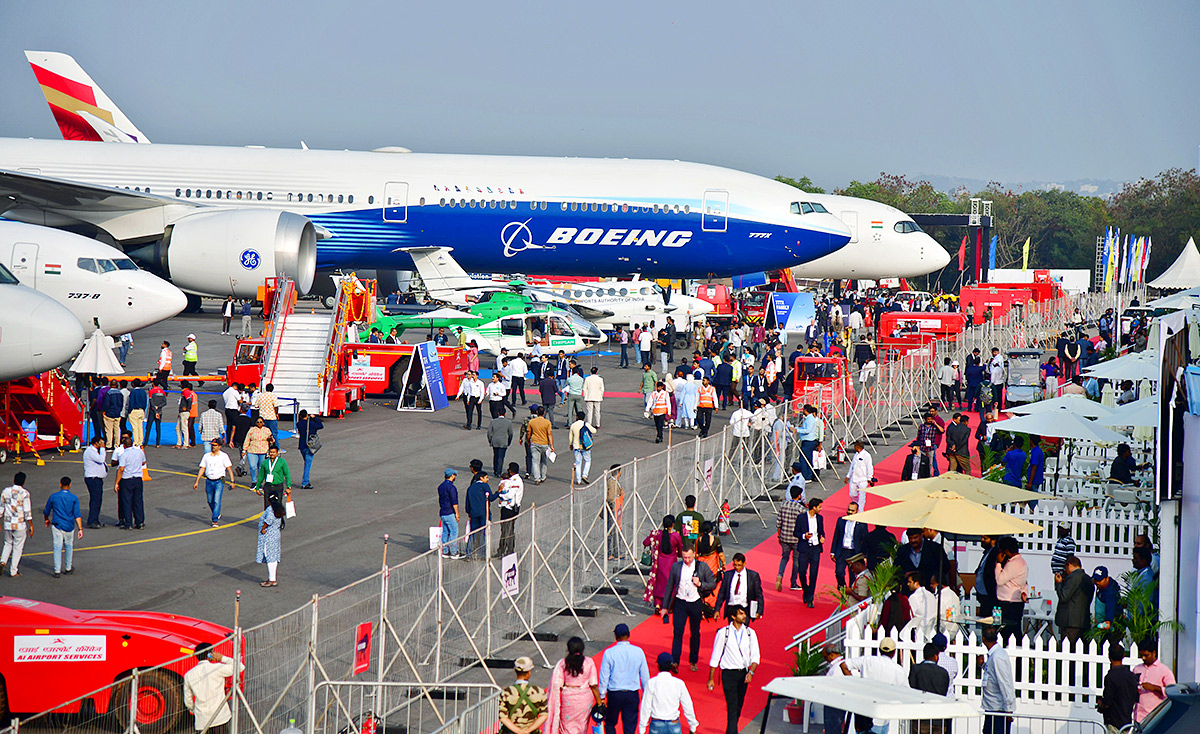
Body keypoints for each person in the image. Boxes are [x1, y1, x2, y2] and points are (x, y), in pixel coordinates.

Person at [706, 605, 760, 734]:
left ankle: (730, 730)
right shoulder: (723, 633)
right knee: (732, 706)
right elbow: (715, 657)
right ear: (733, 616)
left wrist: (751, 672)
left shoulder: (750, 633)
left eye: (744, 613)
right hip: (728, 674)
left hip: (744, 673)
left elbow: (756, 655)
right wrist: (711, 679)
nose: (744, 616)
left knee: (739, 705)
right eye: (741, 614)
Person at [661, 545, 716, 670]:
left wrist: (700, 584)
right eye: (684, 557)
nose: (687, 560)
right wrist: (665, 607)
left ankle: (693, 660)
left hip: (695, 602)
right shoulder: (676, 567)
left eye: (689, 557)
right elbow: (669, 586)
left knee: (695, 633)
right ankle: (675, 662)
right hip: (680, 603)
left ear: (694, 555)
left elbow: (712, 583)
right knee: (677, 632)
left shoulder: (702, 567)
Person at [840, 637, 906, 733]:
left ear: (879, 650)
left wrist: (854, 684)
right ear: (894, 652)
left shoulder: (867, 660)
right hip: (883, 715)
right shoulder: (899, 670)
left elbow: (844, 665)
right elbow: (906, 691)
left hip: (864, 712)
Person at [183, 641, 244, 734]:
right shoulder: (216, 668)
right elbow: (240, 666)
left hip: (202, 719)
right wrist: (222, 658)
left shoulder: (189, 675)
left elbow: (188, 700)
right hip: (220, 716)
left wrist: (194, 710)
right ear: (210, 655)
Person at [598, 623, 649, 734]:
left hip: (614, 694)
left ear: (616, 636)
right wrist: (646, 695)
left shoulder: (609, 653)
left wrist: (601, 696)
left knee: (610, 722)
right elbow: (645, 676)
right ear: (629, 635)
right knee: (630, 726)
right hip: (632, 694)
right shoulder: (638, 651)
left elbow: (604, 677)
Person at [546, 636, 601, 734]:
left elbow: (558, 684)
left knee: (566, 727)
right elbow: (593, 684)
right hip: (584, 699)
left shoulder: (563, 663)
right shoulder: (589, 662)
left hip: (568, 698)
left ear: (568, 649)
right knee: (582, 726)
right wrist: (599, 702)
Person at [637, 652, 698, 734]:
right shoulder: (679, 683)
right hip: (674, 723)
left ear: (658, 665)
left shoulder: (651, 683)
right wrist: (693, 725)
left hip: (656, 723)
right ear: (671, 666)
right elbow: (687, 704)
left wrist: (642, 728)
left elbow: (646, 706)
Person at [43, 476, 83, 578]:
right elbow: (77, 514)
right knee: (69, 546)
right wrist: (80, 528)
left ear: (60, 485)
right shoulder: (74, 498)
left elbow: (46, 511)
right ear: (70, 485)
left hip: (57, 525)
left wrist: (46, 519)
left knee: (57, 547)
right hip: (69, 525)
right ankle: (68, 567)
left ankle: (57, 570)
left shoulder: (53, 496)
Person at [908, 642, 951, 733]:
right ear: (936, 656)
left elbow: (912, 690)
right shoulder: (943, 672)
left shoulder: (916, 669)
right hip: (939, 718)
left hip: (921, 716)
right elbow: (944, 692)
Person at [1097, 643, 1138, 733]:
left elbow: (1107, 702)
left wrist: (1101, 704)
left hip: (1113, 721)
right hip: (1126, 721)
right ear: (1123, 655)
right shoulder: (1131, 676)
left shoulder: (1110, 677)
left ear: (1109, 656)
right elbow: (1136, 696)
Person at [500, 657, 549, 734]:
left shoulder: (506, 693)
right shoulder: (539, 691)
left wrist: (519, 731)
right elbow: (544, 715)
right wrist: (527, 731)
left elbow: (503, 717)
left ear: (515, 671)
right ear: (529, 672)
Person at [981, 625, 1014, 734]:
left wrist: (1008, 709)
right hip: (992, 708)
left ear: (983, 639)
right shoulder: (994, 654)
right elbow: (992, 674)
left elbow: (1004, 683)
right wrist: (982, 665)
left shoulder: (997, 656)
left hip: (998, 710)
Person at [193, 439, 234, 528]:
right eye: (212, 445)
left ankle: (215, 519)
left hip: (219, 480)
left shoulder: (224, 456)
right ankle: (217, 512)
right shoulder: (206, 456)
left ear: (219, 446)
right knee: (210, 500)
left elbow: (229, 469)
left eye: (215, 445)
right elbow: (202, 468)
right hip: (209, 480)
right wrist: (197, 481)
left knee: (216, 500)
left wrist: (232, 481)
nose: (213, 447)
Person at [994, 536, 1029, 640]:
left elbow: (1000, 580)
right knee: (1014, 630)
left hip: (1009, 602)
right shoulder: (1021, 562)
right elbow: (1024, 582)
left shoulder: (1013, 564)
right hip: (1014, 601)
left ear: (1007, 551)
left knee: (1009, 632)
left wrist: (998, 563)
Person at [793, 498, 825, 608]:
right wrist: (803, 536)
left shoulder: (820, 518)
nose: (821, 509)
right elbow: (795, 532)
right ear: (814, 507)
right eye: (819, 507)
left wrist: (822, 538)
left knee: (813, 574)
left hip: (815, 548)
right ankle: (806, 590)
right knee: (801, 572)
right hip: (804, 548)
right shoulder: (801, 518)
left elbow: (821, 532)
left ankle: (811, 597)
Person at [1, 473, 34, 577]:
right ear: (24, 482)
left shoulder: (6, 491)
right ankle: (13, 570)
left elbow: (1, 507)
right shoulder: (24, 493)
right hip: (19, 524)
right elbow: (27, 511)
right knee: (17, 547)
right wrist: (31, 525)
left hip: (8, 522)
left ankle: (2, 561)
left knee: (7, 543)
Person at [715, 553, 764, 622]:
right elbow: (722, 593)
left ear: (744, 564)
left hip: (745, 608)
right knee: (732, 630)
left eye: (739, 565)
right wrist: (717, 609)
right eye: (735, 565)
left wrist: (759, 611)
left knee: (744, 630)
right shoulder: (728, 575)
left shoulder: (753, 576)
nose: (737, 567)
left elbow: (759, 594)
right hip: (731, 608)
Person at [831, 500, 868, 589]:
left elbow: (865, 540)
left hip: (854, 553)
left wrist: (865, 555)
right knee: (839, 573)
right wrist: (832, 552)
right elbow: (836, 535)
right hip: (842, 551)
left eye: (852, 510)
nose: (850, 512)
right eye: (849, 510)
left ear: (857, 511)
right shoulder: (841, 520)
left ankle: (850, 594)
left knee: (853, 576)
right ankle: (842, 588)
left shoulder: (862, 524)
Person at [775, 484, 804, 592]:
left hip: (784, 537)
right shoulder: (801, 509)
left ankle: (780, 575)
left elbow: (778, 522)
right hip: (796, 539)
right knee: (796, 560)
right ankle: (793, 582)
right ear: (799, 495)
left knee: (784, 558)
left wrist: (779, 535)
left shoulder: (783, 505)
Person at [114, 434, 147, 530]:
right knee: (138, 501)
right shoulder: (139, 452)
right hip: (137, 478)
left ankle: (128, 523)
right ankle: (140, 522)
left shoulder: (124, 455)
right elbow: (143, 462)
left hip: (127, 479)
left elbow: (121, 469)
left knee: (127, 501)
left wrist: (117, 482)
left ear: (124, 446)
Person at [464, 471, 498, 560]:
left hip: (473, 513)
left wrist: (468, 512)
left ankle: (469, 553)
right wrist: (499, 492)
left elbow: (467, 502)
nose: (488, 479)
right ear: (481, 478)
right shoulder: (484, 486)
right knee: (484, 533)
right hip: (484, 513)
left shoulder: (470, 488)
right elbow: (491, 498)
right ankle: (482, 554)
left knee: (473, 533)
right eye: (486, 477)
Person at [256, 496, 285, 588]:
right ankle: (272, 577)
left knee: (269, 557)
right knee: (274, 556)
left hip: (268, 536)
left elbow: (269, 520)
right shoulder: (279, 508)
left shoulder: (270, 509)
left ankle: (272, 579)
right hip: (276, 535)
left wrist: (263, 528)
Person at [496, 463, 523, 557]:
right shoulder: (513, 480)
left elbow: (510, 495)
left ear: (511, 471)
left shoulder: (515, 481)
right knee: (505, 529)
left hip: (510, 508)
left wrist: (500, 495)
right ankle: (502, 550)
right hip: (510, 507)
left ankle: (508, 550)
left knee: (508, 530)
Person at [255, 444, 292, 512]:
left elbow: (287, 474)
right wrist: (257, 487)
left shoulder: (282, 462)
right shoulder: (265, 462)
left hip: (278, 486)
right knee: (267, 505)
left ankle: (279, 522)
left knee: (278, 505)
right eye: (271, 452)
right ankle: (267, 521)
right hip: (268, 486)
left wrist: (288, 486)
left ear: (277, 453)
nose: (272, 454)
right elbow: (261, 475)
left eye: (274, 452)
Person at [295, 410, 323, 489]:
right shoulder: (311, 424)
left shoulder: (299, 424)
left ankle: (306, 481)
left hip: (302, 446)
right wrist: (314, 418)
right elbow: (320, 426)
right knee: (307, 464)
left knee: (306, 462)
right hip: (310, 446)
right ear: (307, 415)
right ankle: (305, 482)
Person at [438, 469, 462, 558]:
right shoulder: (451, 487)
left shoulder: (441, 486)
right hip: (450, 512)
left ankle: (445, 551)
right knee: (454, 532)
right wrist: (457, 514)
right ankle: (454, 552)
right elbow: (454, 502)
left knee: (445, 532)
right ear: (452, 476)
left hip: (443, 512)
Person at [527, 406, 554, 484]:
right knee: (544, 460)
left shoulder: (532, 422)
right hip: (544, 443)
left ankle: (537, 478)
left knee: (535, 461)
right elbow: (549, 434)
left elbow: (529, 432)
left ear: (537, 412)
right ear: (544, 413)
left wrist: (529, 441)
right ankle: (543, 476)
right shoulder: (547, 422)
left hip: (535, 442)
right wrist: (551, 445)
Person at [569, 411, 596, 484]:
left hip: (576, 446)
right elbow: (594, 431)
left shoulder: (573, 425)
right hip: (585, 446)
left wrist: (571, 444)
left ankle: (578, 480)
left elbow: (571, 436)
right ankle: (584, 475)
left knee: (578, 463)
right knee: (587, 460)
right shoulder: (586, 424)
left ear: (577, 417)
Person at [489, 408, 515, 478]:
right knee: (501, 457)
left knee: (495, 455)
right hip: (503, 441)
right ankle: (499, 472)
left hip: (495, 441)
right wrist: (508, 442)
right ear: (505, 414)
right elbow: (510, 434)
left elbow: (489, 433)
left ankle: (495, 470)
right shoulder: (508, 422)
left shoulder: (493, 421)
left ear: (498, 413)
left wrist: (490, 440)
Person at [846, 440, 873, 508]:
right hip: (854, 478)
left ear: (857, 447)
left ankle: (860, 511)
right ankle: (855, 506)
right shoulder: (856, 454)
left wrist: (869, 478)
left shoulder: (866, 455)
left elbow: (869, 467)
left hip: (863, 479)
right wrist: (848, 476)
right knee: (852, 494)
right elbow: (852, 466)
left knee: (861, 497)